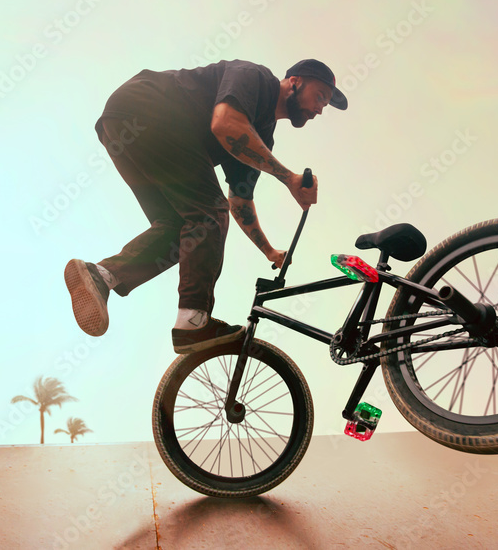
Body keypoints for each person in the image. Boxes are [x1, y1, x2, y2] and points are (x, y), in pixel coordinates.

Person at [65, 58, 347, 354]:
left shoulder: (260, 138)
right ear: (295, 81)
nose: (319, 109)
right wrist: (288, 178)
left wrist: (269, 251)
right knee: (208, 213)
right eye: (319, 97)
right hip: (147, 108)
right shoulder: (255, 78)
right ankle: (193, 322)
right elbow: (225, 122)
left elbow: (240, 203)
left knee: (181, 229)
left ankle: (103, 275)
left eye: (325, 105)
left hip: (121, 126)